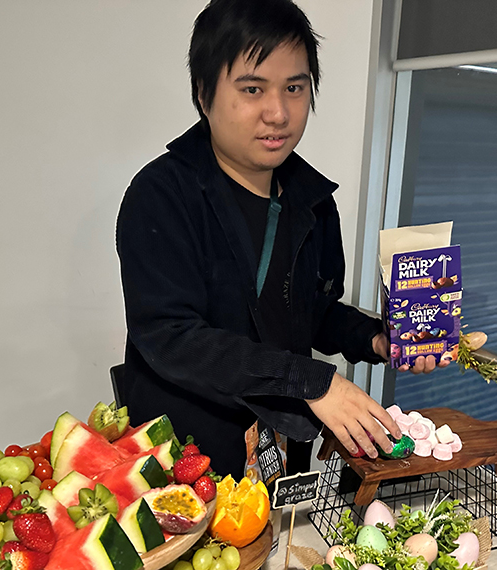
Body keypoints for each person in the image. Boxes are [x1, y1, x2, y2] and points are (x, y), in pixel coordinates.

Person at [116, 0, 444, 477]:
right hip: (184, 459)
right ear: (205, 94)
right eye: (253, 89)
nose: (278, 112)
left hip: (280, 456)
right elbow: (171, 338)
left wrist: (375, 339)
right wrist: (314, 383)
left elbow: (311, 313)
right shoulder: (161, 195)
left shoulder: (311, 200)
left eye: (295, 87)